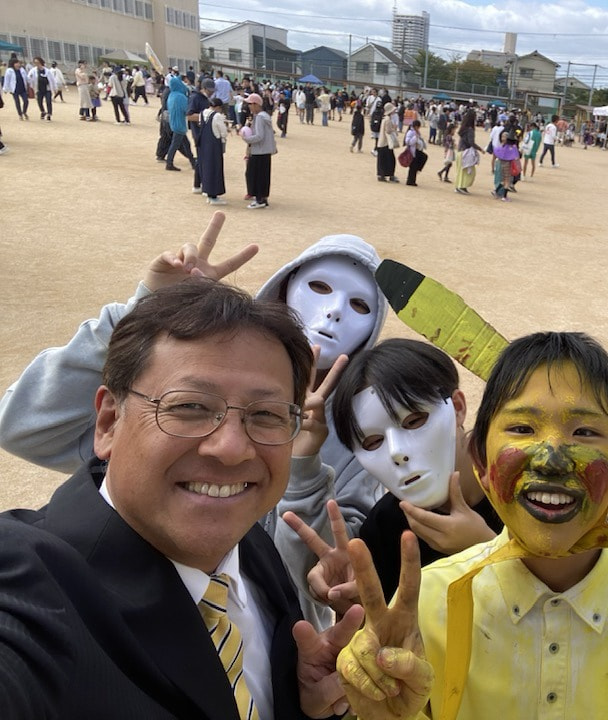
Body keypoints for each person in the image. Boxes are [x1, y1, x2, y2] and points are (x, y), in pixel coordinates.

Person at [0, 279, 369, 719]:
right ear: (109, 422)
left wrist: (312, 705)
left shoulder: (247, 547)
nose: (232, 449)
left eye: (266, 415)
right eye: (189, 407)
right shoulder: (28, 586)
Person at [0, 217, 390, 629]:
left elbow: (330, 570)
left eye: (359, 305)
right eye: (190, 407)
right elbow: (23, 427)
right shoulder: (49, 600)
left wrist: (306, 468)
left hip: (279, 637)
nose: (332, 313)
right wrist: (148, 314)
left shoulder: (364, 435)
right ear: (284, 289)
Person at [337, 331, 608, 720]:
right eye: (522, 428)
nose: (551, 459)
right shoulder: (425, 612)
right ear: (479, 459)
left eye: (584, 431)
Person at [294, 338, 503, 607]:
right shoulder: (384, 529)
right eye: (372, 442)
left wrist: (487, 552)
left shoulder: (526, 493)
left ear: (458, 408)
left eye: (414, 421)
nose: (397, 451)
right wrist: (359, 607)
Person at [242, 93, 277, 209]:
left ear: (256, 104)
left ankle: (259, 199)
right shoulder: (265, 116)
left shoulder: (259, 117)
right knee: (264, 175)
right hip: (265, 151)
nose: (249, 107)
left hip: (259, 151)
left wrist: (246, 139)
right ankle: (263, 198)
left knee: (255, 175)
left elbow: (259, 136)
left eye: (250, 104)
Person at [198, 98, 228, 205]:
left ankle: (206, 190)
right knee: (215, 168)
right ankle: (213, 195)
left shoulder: (202, 113)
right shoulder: (217, 116)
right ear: (218, 107)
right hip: (214, 145)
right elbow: (223, 131)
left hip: (203, 144)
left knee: (205, 167)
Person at [454, 108, 483, 195]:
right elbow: (471, 142)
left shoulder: (463, 128)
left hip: (460, 151)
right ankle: (462, 187)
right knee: (469, 172)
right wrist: (480, 149)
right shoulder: (470, 130)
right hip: (466, 152)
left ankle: (459, 186)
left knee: (461, 171)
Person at [164, 74, 189, 171]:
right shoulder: (181, 96)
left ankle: (192, 160)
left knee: (183, 144)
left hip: (173, 122)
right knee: (175, 145)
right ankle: (169, 163)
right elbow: (186, 110)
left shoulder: (171, 95)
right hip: (180, 123)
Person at [375, 101, 399, 183]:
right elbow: (388, 131)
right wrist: (394, 129)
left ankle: (382, 175)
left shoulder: (384, 118)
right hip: (386, 143)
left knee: (382, 160)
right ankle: (390, 175)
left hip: (382, 142)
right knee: (390, 160)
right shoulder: (388, 119)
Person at [27, 56, 56, 122]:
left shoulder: (47, 71)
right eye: (35, 63)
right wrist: (30, 80)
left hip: (47, 89)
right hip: (39, 89)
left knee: (48, 101)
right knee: (39, 102)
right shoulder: (33, 70)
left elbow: (52, 79)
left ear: (41, 62)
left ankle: (49, 114)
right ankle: (43, 111)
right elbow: (28, 78)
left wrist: (55, 88)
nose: (37, 64)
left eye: (38, 62)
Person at [403, 119, 428, 187]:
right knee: (413, 167)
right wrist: (415, 138)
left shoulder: (417, 132)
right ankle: (410, 181)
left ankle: (413, 179)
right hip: (412, 151)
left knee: (420, 161)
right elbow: (408, 142)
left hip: (417, 150)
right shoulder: (411, 132)